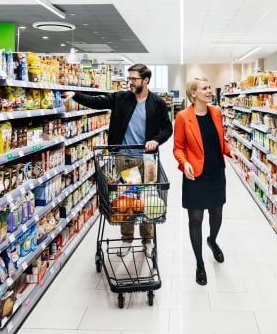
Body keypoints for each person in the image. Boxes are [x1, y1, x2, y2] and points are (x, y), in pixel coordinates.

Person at [63, 63, 173, 256]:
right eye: (128, 78)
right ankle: (127, 240)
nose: (129, 82)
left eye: (134, 79)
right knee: (126, 202)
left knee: (147, 201)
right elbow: (98, 101)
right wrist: (76, 95)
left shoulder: (157, 103)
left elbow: (167, 129)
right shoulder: (121, 98)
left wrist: (156, 140)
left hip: (146, 161)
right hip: (123, 158)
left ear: (145, 80)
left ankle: (148, 241)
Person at [173, 76, 239, 285]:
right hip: (195, 175)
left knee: (217, 213)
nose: (210, 91)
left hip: (216, 172)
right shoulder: (183, 117)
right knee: (195, 219)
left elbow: (219, 140)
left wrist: (229, 151)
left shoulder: (216, 112)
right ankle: (200, 263)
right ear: (193, 94)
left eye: (210, 87)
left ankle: (212, 240)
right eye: (205, 88)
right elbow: (178, 148)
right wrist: (184, 164)